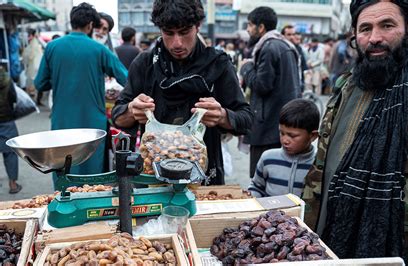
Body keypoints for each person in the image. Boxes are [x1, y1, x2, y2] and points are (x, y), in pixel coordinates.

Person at [303, 0, 408, 264]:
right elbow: (320, 170)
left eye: (387, 25)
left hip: (395, 248)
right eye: (365, 28)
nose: (374, 38)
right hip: (326, 240)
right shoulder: (345, 85)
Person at [112, 0, 253, 186]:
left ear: (198, 27)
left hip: (204, 177)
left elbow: (246, 118)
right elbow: (117, 116)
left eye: (185, 32)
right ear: (160, 30)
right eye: (168, 33)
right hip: (153, 177)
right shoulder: (145, 64)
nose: (177, 43)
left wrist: (222, 116)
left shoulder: (218, 64)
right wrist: (131, 111)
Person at [34, 2, 128, 189]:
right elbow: (126, 78)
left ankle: (64, 206)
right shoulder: (100, 50)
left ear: (71, 22)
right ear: (90, 25)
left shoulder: (52, 47)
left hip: (62, 122)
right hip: (92, 125)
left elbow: (39, 84)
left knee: (63, 169)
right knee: (91, 175)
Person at [240, 6, 300, 179]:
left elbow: (262, 85)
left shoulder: (268, 48)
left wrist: (247, 68)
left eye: (250, 25)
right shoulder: (284, 45)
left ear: (261, 28)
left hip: (267, 125)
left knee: (261, 179)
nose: (248, 30)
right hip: (280, 123)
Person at [248, 99, 319, 198]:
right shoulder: (268, 158)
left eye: (292, 136)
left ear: (313, 136)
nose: (285, 140)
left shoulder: (317, 165)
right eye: (282, 133)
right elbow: (256, 187)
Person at [0, 67, 21, 194]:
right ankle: (13, 184)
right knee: (10, 152)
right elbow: (13, 97)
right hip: (6, 119)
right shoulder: (7, 78)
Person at [282, 25, 308, 94]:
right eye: (289, 35)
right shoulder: (280, 48)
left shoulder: (297, 48)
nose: (291, 37)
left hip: (297, 82)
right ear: (283, 35)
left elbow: (302, 65)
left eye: (293, 34)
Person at [22, 29, 44, 105]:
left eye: (29, 35)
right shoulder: (34, 44)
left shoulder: (34, 44)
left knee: (33, 84)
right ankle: (36, 99)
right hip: (34, 68)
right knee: (34, 84)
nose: (28, 37)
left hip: (34, 68)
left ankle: (35, 99)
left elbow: (30, 56)